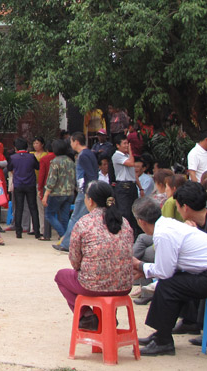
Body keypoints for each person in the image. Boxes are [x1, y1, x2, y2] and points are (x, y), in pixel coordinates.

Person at [54, 180, 134, 331]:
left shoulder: (84, 223)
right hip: (124, 285)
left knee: (61, 276)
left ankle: (86, 316)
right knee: (112, 272)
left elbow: (75, 261)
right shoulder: (124, 222)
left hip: (92, 285)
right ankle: (109, 317)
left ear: (90, 201)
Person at [132, 196, 207, 356]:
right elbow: (168, 267)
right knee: (172, 282)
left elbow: (164, 271)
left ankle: (163, 341)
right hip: (201, 272)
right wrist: (145, 268)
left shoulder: (162, 234)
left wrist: (140, 265)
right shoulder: (168, 224)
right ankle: (162, 334)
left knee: (168, 285)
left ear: (140, 221)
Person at [43, 140, 75, 249]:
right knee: (64, 217)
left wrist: (46, 194)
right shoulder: (70, 161)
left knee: (49, 214)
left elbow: (52, 179)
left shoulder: (55, 161)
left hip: (57, 193)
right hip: (69, 192)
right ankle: (66, 241)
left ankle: (64, 236)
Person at [8, 137, 40, 240]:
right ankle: (37, 232)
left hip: (18, 184)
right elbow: (37, 166)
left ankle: (18, 232)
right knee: (33, 208)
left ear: (16, 148)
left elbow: (9, 168)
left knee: (19, 208)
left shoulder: (13, 157)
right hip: (30, 184)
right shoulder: (31, 156)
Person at [112, 135, 141, 237]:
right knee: (125, 213)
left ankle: (134, 236)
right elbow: (131, 163)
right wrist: (131, 151)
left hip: (132, 185)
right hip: (123, 186)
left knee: (134, 212)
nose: (126, 146)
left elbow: (133, 174)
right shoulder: (117, 155)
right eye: (124, 143)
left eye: (127, 143)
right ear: (117, 145)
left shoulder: (127, 156)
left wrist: (140, 187)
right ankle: (124, 235)